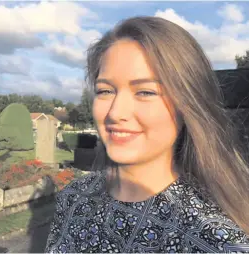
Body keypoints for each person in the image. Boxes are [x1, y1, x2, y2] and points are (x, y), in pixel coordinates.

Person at [45, 16, 249, 253]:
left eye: (145, 92)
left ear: (188, 105)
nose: (116, 112)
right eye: (105, 90)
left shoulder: (213, 239)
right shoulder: (74, 197)